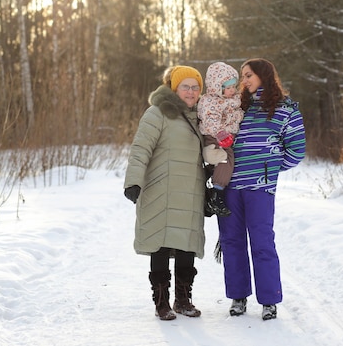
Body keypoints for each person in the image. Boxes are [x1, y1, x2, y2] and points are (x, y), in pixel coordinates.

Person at [218, 58, 306, 321]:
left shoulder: (285, 110)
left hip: (260, 189)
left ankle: (269, 300)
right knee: (231, 242)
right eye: (242, 76)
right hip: (231, 187)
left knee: (262, 243)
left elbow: (297, 150)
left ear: (264, 75)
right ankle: (238, 297)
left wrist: (269, 170)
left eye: (248, 75)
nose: (244, 81)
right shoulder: (237, 108)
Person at [123, 65, 206, 321]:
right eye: (185, 86)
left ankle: (183, 300)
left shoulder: (202, 116)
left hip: (191, 191)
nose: (191, 92)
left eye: (195, 87)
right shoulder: (157, 113)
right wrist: (133, 181)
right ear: (173, 87)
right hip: (161, 190)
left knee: (186, 247)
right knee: (159, 245)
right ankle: (162, 303)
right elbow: (140, 149)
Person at [197, 61, 244, 217]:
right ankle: (217, 194)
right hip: (215, 137)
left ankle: (207, 192)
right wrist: (221, 134)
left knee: (218, 164)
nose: (232, 90)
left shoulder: (233, 99)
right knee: (226, 159)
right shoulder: (211, 101)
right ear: (218, 88)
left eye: (233, 87)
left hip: (227, 137)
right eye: (228, 88)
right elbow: (210, 121)